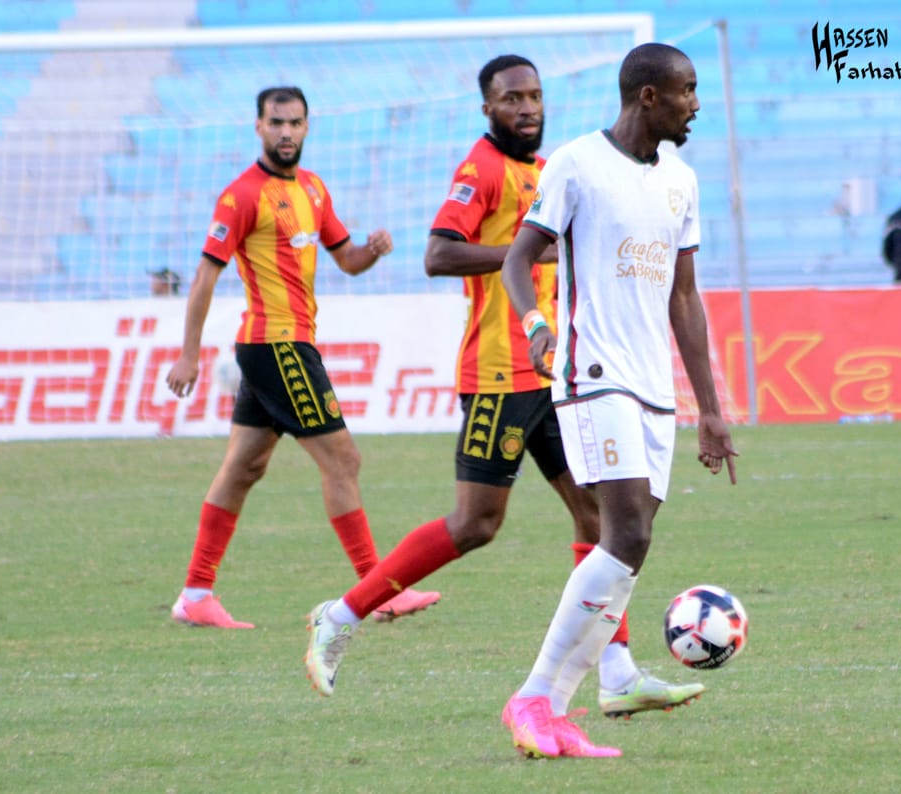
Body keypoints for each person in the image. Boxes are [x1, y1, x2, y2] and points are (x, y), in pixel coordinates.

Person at [300, 56, 703, 727]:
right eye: (512, 98)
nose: (527, 108)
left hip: (565, 371)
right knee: (477, 524)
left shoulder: (547, 169)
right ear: (487, 107)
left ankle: (616, 672)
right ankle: (341, 615)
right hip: (500, 373)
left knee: (601, 519)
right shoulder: (482, 169)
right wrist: (536, 253)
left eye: (535, 96)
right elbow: (438, 254)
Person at [494, 42, 739, 760]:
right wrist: (535, 324)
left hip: (652, 385)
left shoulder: (682, 180)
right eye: (688, 90)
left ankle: (557, 706)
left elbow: (684, 298)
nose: (697, 103)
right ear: (649, 96)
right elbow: (516, 259)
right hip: (592, 370)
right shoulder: (576, 164)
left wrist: (710, 407)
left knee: (630, 547)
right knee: (624, 532)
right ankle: (534, 698)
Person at [165, 86, 439, 629]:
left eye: (294, 123)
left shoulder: (313, 188)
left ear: (308, 127)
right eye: (276, 123)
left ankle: (195, 593)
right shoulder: (241, 196)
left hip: (283, 345)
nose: (286, 132)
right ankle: (377, 590)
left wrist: (372, 251)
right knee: (343, 460)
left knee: (244, 467)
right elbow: (204, 276)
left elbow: (347, 260)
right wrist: (189, 355)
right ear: (258, 127)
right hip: (276, 345)